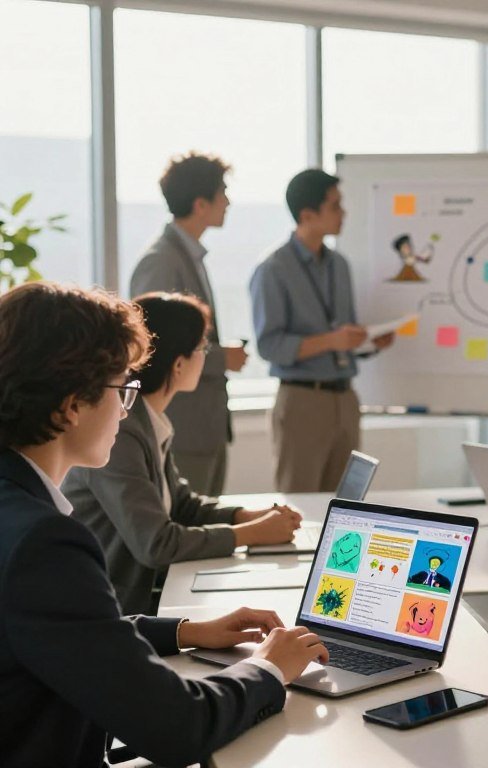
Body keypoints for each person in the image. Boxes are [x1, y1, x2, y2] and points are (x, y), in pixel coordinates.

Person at [0, 282, 328, 766]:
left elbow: (68, 631)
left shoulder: (17, 511)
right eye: (121, 390)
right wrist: (268, 669)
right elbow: (178, 726)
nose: (125, 409)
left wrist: (189, 631)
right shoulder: (44, 543)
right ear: (71, 406)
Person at [64, 292, 303, 615]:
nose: (207, 356)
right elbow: (156, 544)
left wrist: (246, 516)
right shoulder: (120, 432)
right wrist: (251, 534)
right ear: (178, 364)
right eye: (202, 348)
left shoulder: (148, 420)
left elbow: (182, 504)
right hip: (115, 609)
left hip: (144, 597)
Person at [250, 169, 394, 492]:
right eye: (335, 206)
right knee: (299, 501)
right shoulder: (273, 269)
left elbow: (342, 336)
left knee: (348, 502)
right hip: (303, 401)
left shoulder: (339, 265)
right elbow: (270, 346)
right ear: (307, 215)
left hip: (345, 399)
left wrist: (370, 343)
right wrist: (332, 341)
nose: (344, 213)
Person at [130, 152, 249, 495]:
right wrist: (221, 358)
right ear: (200, 204)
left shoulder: (187, 255)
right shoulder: (161, 261)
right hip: (183, 428)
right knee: (188, 522)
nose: (228, 201)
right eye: (222, 192)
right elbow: (155, 345)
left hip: (204, 427)